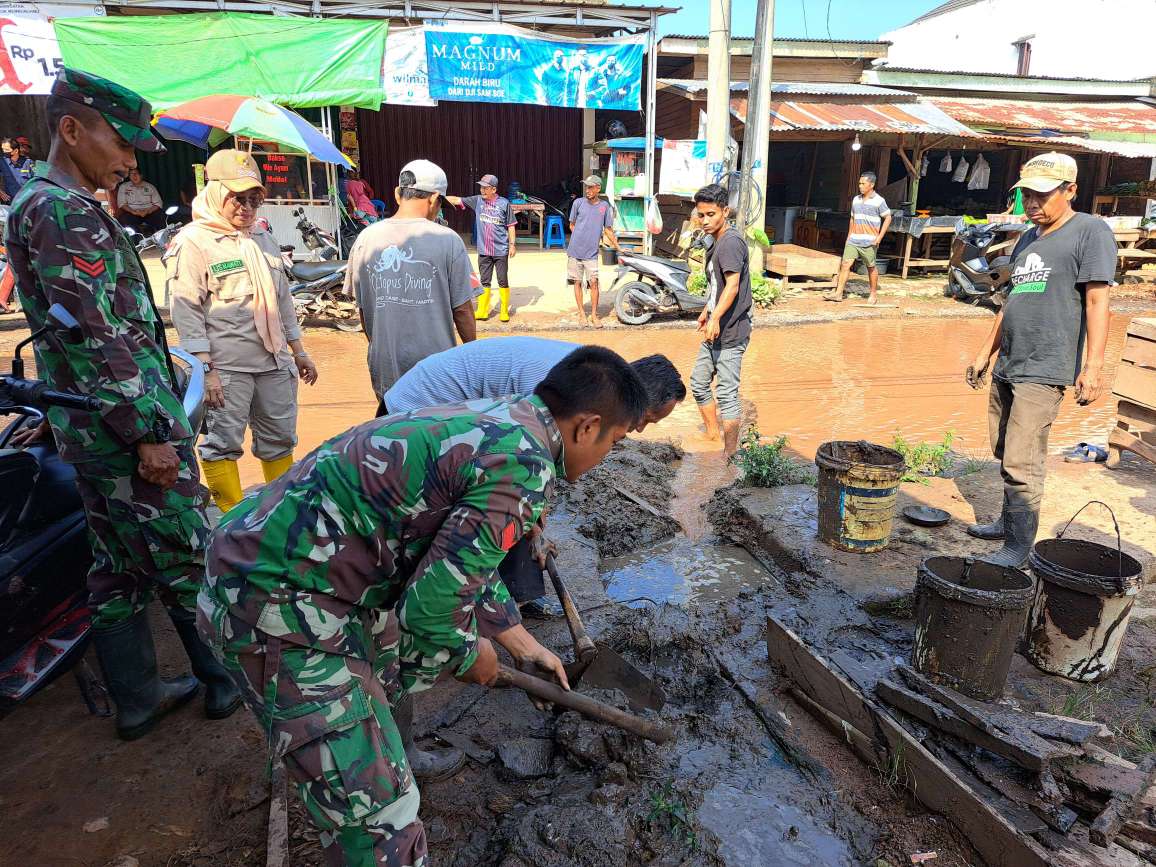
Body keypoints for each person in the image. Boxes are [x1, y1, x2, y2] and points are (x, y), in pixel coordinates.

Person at [197, 346, 649, 865]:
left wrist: (521, 644)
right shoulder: (526, 466)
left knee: (391, 666)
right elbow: (430, 611)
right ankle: (364, 796)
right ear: (587, 427)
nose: (605, 458)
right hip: (272, 603)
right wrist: (471, 655)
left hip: (281, 562)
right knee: (382, 824)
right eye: (614, 443)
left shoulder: (504, 418)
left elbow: (458, 563)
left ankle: (377, 754)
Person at [3, 68, 241, 739]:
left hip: (92, 426)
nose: (131, 162)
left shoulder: (50, 204)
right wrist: (146, 434)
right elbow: (94, 335)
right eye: (123, 145)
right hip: (122, 431)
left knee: (115, 568)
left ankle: (139, 697)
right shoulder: (59, 210)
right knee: (192, 552)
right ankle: (230, 680)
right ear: (71, 130)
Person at [965, 152, 1115, 567]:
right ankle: (1006, 521)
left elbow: (1099, 300)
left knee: (1023, 455)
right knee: (1003, 447)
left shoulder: (1090, 232)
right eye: (1027, 194)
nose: (1032, 203)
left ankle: (1018, 546)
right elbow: (1008, 300)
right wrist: (984, 352)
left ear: (1070, 190)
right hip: (1010, 360)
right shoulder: (1029, 238)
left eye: (1042, 194)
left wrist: (1093, 367)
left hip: (1046, 364)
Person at [167, 149, 319, 514]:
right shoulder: (193, 242)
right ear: (216, 193)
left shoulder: (262, 238)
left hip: (274, 361)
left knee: (280, 440)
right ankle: (233, 519)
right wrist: (207, 370)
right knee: (222, 443)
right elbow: (185, 310)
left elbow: (282, 302)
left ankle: (278, 514)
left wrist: (298, 351)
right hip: (227, 368)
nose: (246, 207)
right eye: (238, 198)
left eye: (254, 199)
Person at [346, 158, 481, 411]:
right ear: (433, 200)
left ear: (398, 194)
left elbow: (364, 310)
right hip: (437, 371)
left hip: (385, 366)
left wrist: (382, 348)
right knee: (436, 440)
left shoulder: (366, 239)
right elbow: (462, 310)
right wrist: (472, 358)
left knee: (394, 438)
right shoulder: (448, 240)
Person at [690, 183, 753, 457]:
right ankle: (713, 435)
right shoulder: (716, 241)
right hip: (716, 328)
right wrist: (708, 310)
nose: (705, 220)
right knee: (698, 382)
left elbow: (733, 286)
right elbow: (718, 286)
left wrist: (715, 317)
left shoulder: (729, 243)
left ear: (725, 211)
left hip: (731, 332)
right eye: (701, 214)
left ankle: (729, 456)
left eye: (711, 214)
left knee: (727, 394)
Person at [447, 173, 518, 322]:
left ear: (493, 189)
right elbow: (457, 199)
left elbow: (511, 226)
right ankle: (482, 310)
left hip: (501, 250)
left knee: (502, 280)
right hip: (484, 250)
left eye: (485, 188)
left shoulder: (504, 203)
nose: (482, 190)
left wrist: (512, 245)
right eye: (481, 187)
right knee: (484, 281)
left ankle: (504, 310)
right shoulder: (477, 201)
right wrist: (439, 197)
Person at [827, 172, 892, 305]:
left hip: (870, 241)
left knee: (871, 267)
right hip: (853, 239)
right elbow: (852, 218)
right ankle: (839, 293)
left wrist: (879, 237)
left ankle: (873, 294)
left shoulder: (879, 201)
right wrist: (849, 236)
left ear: (872, 185)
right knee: (845, 265)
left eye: (863, 183)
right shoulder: (856, 199)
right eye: (859, 183)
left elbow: (888, 218)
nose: (860, 186)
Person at [567, 175, 620, 328]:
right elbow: (572, 225)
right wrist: (580, 237)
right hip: (575, 251)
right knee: (577, 282)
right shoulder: (578, 203)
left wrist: (618, 246)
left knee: (594, 283)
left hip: (591, 253)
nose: (588, 190)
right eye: (586, 187)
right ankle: (582, 314)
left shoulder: (604, 207)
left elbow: (608, 230)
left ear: (598, 188)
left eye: (591, 187)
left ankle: (594, 315)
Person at [116, 167, 166, 235]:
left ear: (141, 175)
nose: (134, 176)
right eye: (131, 174)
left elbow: (158, 203)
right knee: (123, 220)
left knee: (161, 216)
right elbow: (122, 204)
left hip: (149, 212)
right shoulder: (124, 187)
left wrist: (147, 211)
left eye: (136, 174)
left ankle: (161, 237)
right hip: (132, 213)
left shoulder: (149, 186)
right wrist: (133, 212)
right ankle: (137, 240)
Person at [0, 137, 23, 204]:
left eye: (6, 150)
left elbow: (38, 182)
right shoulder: (2, 162)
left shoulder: (28, 163)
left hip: (26, 204)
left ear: (15, 151)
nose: (4, 152)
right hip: (9, 203)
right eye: (3, 149)